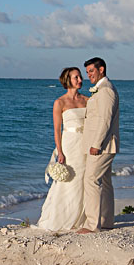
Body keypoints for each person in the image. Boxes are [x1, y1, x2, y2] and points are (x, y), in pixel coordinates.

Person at [35, 67, 89, 231]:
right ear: (67, 80)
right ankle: (63, 218)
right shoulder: (60, 103)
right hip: (70, 144)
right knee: (69, 180)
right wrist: (60, 151)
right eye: (76, 78)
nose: (80, 80)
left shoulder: (88, 100)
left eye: (80, 77)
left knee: (84, 180)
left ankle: (83, 218)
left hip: (85, 144)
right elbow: (57, 130)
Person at [77, 57, 119, 233]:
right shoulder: (101, 90)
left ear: (101, 70)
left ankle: (93, 225)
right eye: (87, 72)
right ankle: (106, 221)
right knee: (105, 182)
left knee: (91, 180)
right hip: (103, 145)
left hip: (102, 146)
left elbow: (105, 120)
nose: (89, 75)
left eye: (91, 71)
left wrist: (96, 144)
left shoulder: (106, 91)